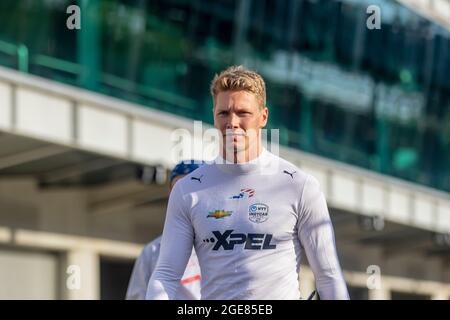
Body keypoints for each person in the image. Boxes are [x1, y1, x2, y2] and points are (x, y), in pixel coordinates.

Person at [146, 65, 349, 300]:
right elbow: (166, 275)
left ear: (263, 117)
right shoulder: (187, 190)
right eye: (224, 113)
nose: (232, 122)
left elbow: (328, 275)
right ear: (214, 115)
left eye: (243, 112)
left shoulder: (300, 186)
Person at [126, 160, 205, 300]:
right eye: (178, 189)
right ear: (170, 193)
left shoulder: (225, 243)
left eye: (192, 188)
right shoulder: (153, 250)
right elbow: (137, 296)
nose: (185, 197)